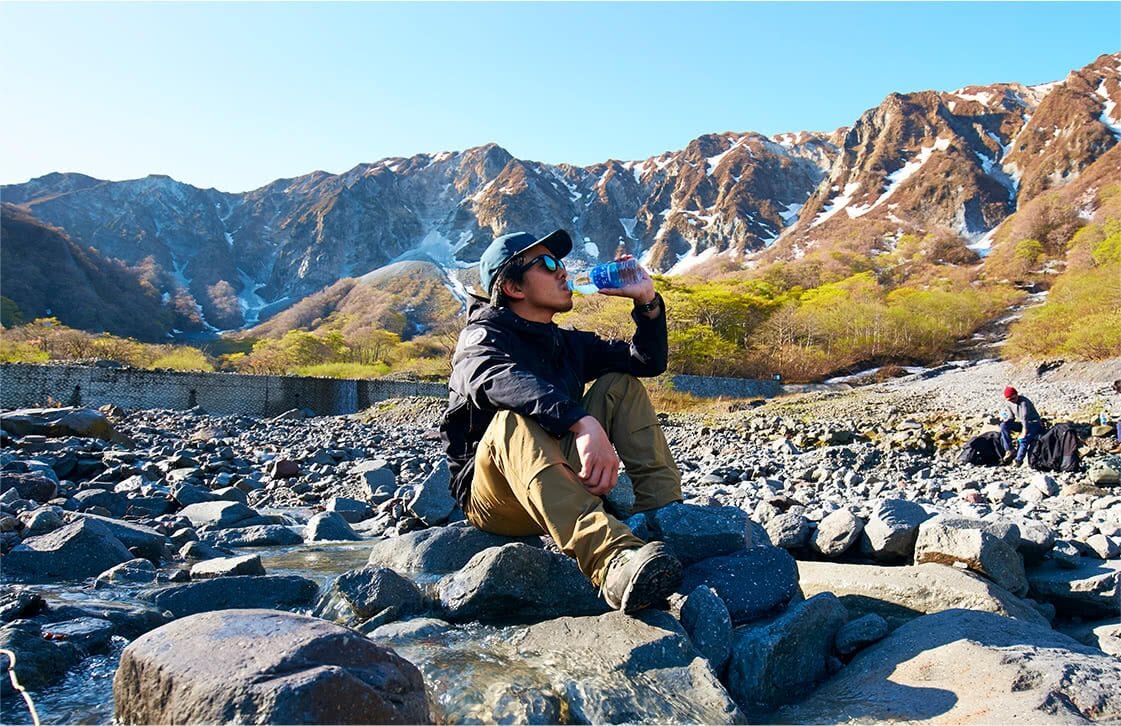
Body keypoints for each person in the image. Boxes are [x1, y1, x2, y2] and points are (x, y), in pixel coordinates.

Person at [441, 229, 684, 614]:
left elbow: (647, 362)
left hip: (558, 473)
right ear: (512, 286)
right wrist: (581, 421)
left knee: (619, 384)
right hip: (497, 497)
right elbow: (494, 379)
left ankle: (667, 517)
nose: (563, 272)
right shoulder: (480, 338)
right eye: (549, 264)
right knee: (509, 422)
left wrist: (648, 303)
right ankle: (612, 562)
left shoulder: (565, 342)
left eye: (562, 264)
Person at [1000, 386, 1043, 466]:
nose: (1013, 401)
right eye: (1010, 400)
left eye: (1014, 398)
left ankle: (1018, 460)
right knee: (1003, 425)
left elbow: (1024, 417)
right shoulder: (1009, 403)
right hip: (1022, 423)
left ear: (1017, 395)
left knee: (1023, 439)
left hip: (1033, 423)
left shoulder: (1024, 402)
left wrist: (1024, 432)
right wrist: (1006, 421)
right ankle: (1010, 450)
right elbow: (1011, 417)